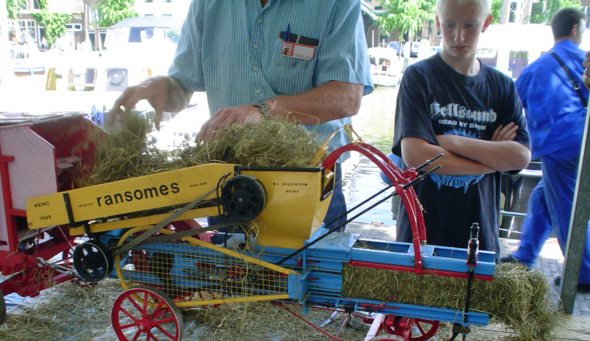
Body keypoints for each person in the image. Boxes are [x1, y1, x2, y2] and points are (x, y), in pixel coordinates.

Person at [108, 0, 374, 230]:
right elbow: (182, 88)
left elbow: (346, 96)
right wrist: (160, 88)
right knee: (228, 271)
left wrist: (264, 112)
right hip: (230, 181)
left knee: (315, 272)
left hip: (309, 180)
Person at [392, 0, 531, 261]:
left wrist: (451, 143)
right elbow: (417, 156)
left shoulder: (502, 86)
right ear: (437, 23)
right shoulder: (418, 77)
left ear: (486, 23)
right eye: (449, 25)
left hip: (480, 238)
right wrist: (491, 161)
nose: (459, 36)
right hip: (421, 239)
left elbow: (520, 157)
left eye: (469, 25)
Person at [504, 8, 590, 291]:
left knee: (566, 207)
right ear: (576, 30)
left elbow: (509, 104)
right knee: (543, 198)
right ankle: (525, 255)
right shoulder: (583, 60)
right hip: (582, 141)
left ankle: (583, 272)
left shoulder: (534, 69)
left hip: (559, 145)